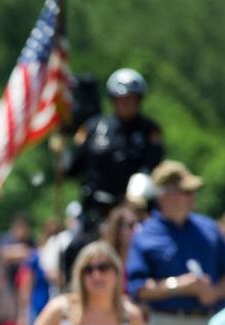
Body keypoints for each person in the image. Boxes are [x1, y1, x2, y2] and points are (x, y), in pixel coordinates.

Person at [127, 160, 225, 325]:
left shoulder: (209, 228)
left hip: (210, 321)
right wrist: (179, 285)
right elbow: (138, 288)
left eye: (193, 191)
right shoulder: (145, 235)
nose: (193, 197)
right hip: (166, 323)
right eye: (186, 191)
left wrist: (215, 292)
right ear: (164, 195)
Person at [64, 68, 164, 226]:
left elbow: (152, 167)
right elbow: (72, 168)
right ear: (113, 100)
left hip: (136, 214)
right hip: (95, 214)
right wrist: (63, 151)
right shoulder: (93, 128)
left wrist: (134, 198)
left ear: (139, 100)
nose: (126, 103)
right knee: (73, 247)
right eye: (121, 99)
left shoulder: (149, 130)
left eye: (131, 98)